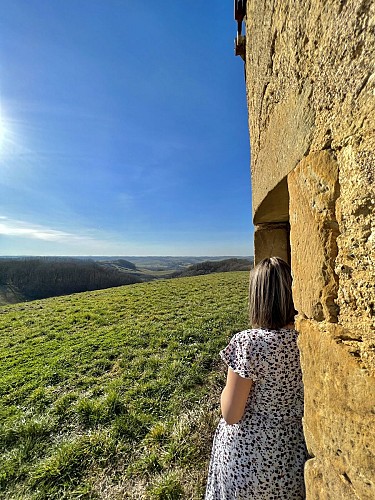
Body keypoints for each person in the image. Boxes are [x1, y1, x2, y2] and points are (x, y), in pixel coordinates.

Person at [205, 257, 308, 499]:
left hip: (249, 463)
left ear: (258, 297)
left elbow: (231, 414)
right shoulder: (309, 340)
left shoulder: (249, 343)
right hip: (293, 462)